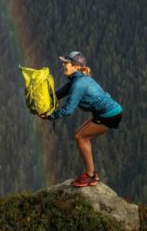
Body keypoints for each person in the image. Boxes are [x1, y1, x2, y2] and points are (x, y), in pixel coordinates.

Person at [40, 51, 122, 187]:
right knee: (81, 136)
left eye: (66, 62)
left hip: (110, 115)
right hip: (107, 112)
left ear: (76, 66)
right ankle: (92, 174)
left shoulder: (79, 84)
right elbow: (57, 95)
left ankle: (90, 176)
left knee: (80, 137)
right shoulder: (76, 80)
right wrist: (40, 102)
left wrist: (49, 116)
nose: (63, 64)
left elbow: (68, 110)